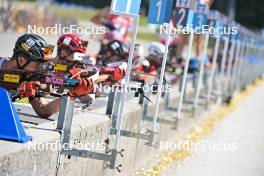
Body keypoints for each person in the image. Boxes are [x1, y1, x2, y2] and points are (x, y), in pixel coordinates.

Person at [0, 34, 94, 118]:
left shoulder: (30, 78)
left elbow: (44, 111)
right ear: (21, 60)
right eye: (38, 64)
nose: (43, 68)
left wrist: (71, 94)